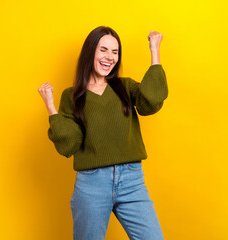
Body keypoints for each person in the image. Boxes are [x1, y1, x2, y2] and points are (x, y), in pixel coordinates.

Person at [38, 26, 168, 240]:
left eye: (115, 52)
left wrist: (155, 52)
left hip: (132, 181)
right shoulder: (72, 96)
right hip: (92, 184)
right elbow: (69, 144)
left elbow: (151, 102)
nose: (110, 57)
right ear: (90, 53)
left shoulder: (125, 87)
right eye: (104, 50)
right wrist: (51, 108)